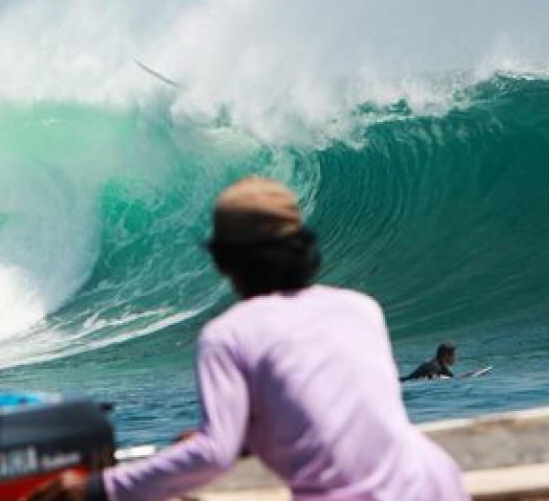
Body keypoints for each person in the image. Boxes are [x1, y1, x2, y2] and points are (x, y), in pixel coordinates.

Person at [28, 177, 466, 501]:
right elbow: (340, 417)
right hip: (439, 484)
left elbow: (212, 456)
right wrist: (244, 438)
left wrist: (95, 488)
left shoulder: (229, 335)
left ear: (223, 260)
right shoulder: (361, 308)